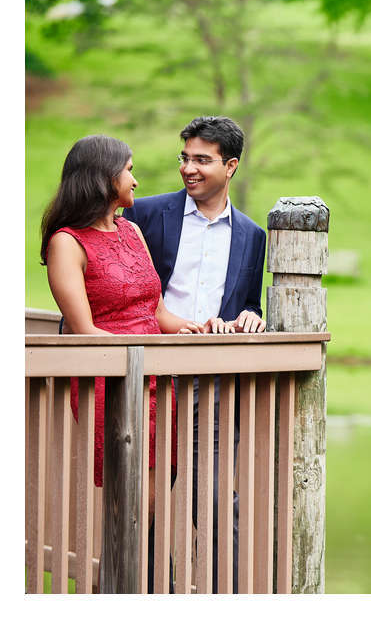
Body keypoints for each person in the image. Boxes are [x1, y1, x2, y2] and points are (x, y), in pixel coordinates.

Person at [41, 135, 213, 580]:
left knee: (153, 495)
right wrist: (141, 356)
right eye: (129, 170)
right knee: (128, 496)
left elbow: (153, 310)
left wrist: (190, 326)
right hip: (114, 381)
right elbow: (84, 331)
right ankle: (117, 585)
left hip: (158, 379)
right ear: (103, 178)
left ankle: (132, 582)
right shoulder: (67, 242)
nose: (136, 180)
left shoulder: (131, 231)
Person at [123, 115, 266, 593]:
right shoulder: (144, 213)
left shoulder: (252, 236)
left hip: (213, 384)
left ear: (231, 167)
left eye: (202, 160)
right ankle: (146, 592)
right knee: (142, 498)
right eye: (185, 157)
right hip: (149, 377)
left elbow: (247, 300)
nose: (189, 168)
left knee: (216, 500)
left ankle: (231, 597)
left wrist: (251, 315)